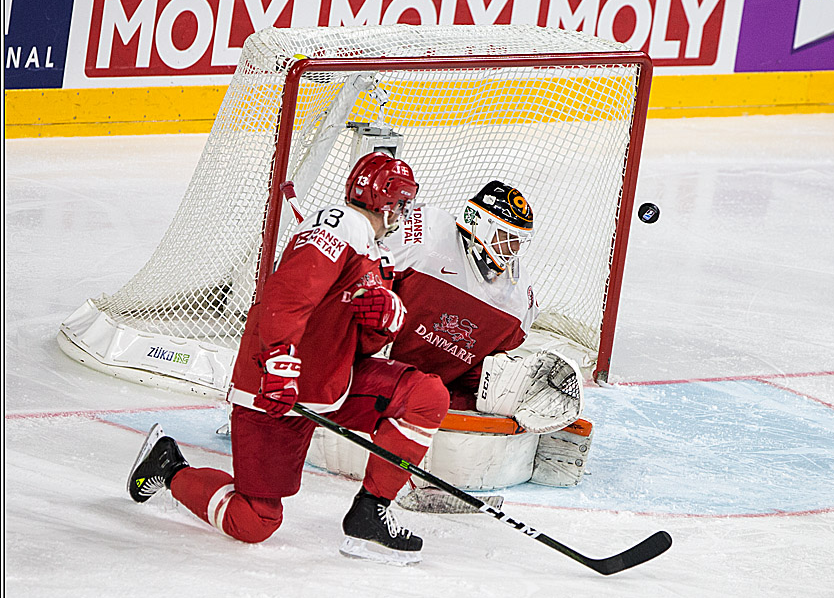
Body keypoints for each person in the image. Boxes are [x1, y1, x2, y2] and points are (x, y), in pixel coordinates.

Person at [126, 152, 450, 565]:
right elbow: (286, 296)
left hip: (331, 383)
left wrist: (384, 323)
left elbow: (359, 343)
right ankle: (169, 466)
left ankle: (370, 513)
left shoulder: (376, 254)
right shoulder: (338, 225)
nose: (404, 213)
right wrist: (279, 361)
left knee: (425, 396)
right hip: (274, 388)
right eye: (402, 203)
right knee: (254, 520)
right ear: (388, 203)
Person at [382, 180, 540, 411]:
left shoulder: (518, 296)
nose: (515, 248)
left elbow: (490, 362)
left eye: (519, 240)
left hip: (435, 388)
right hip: (377, 366)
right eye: (508, 236)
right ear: (480, 224)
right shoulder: (426, 236)